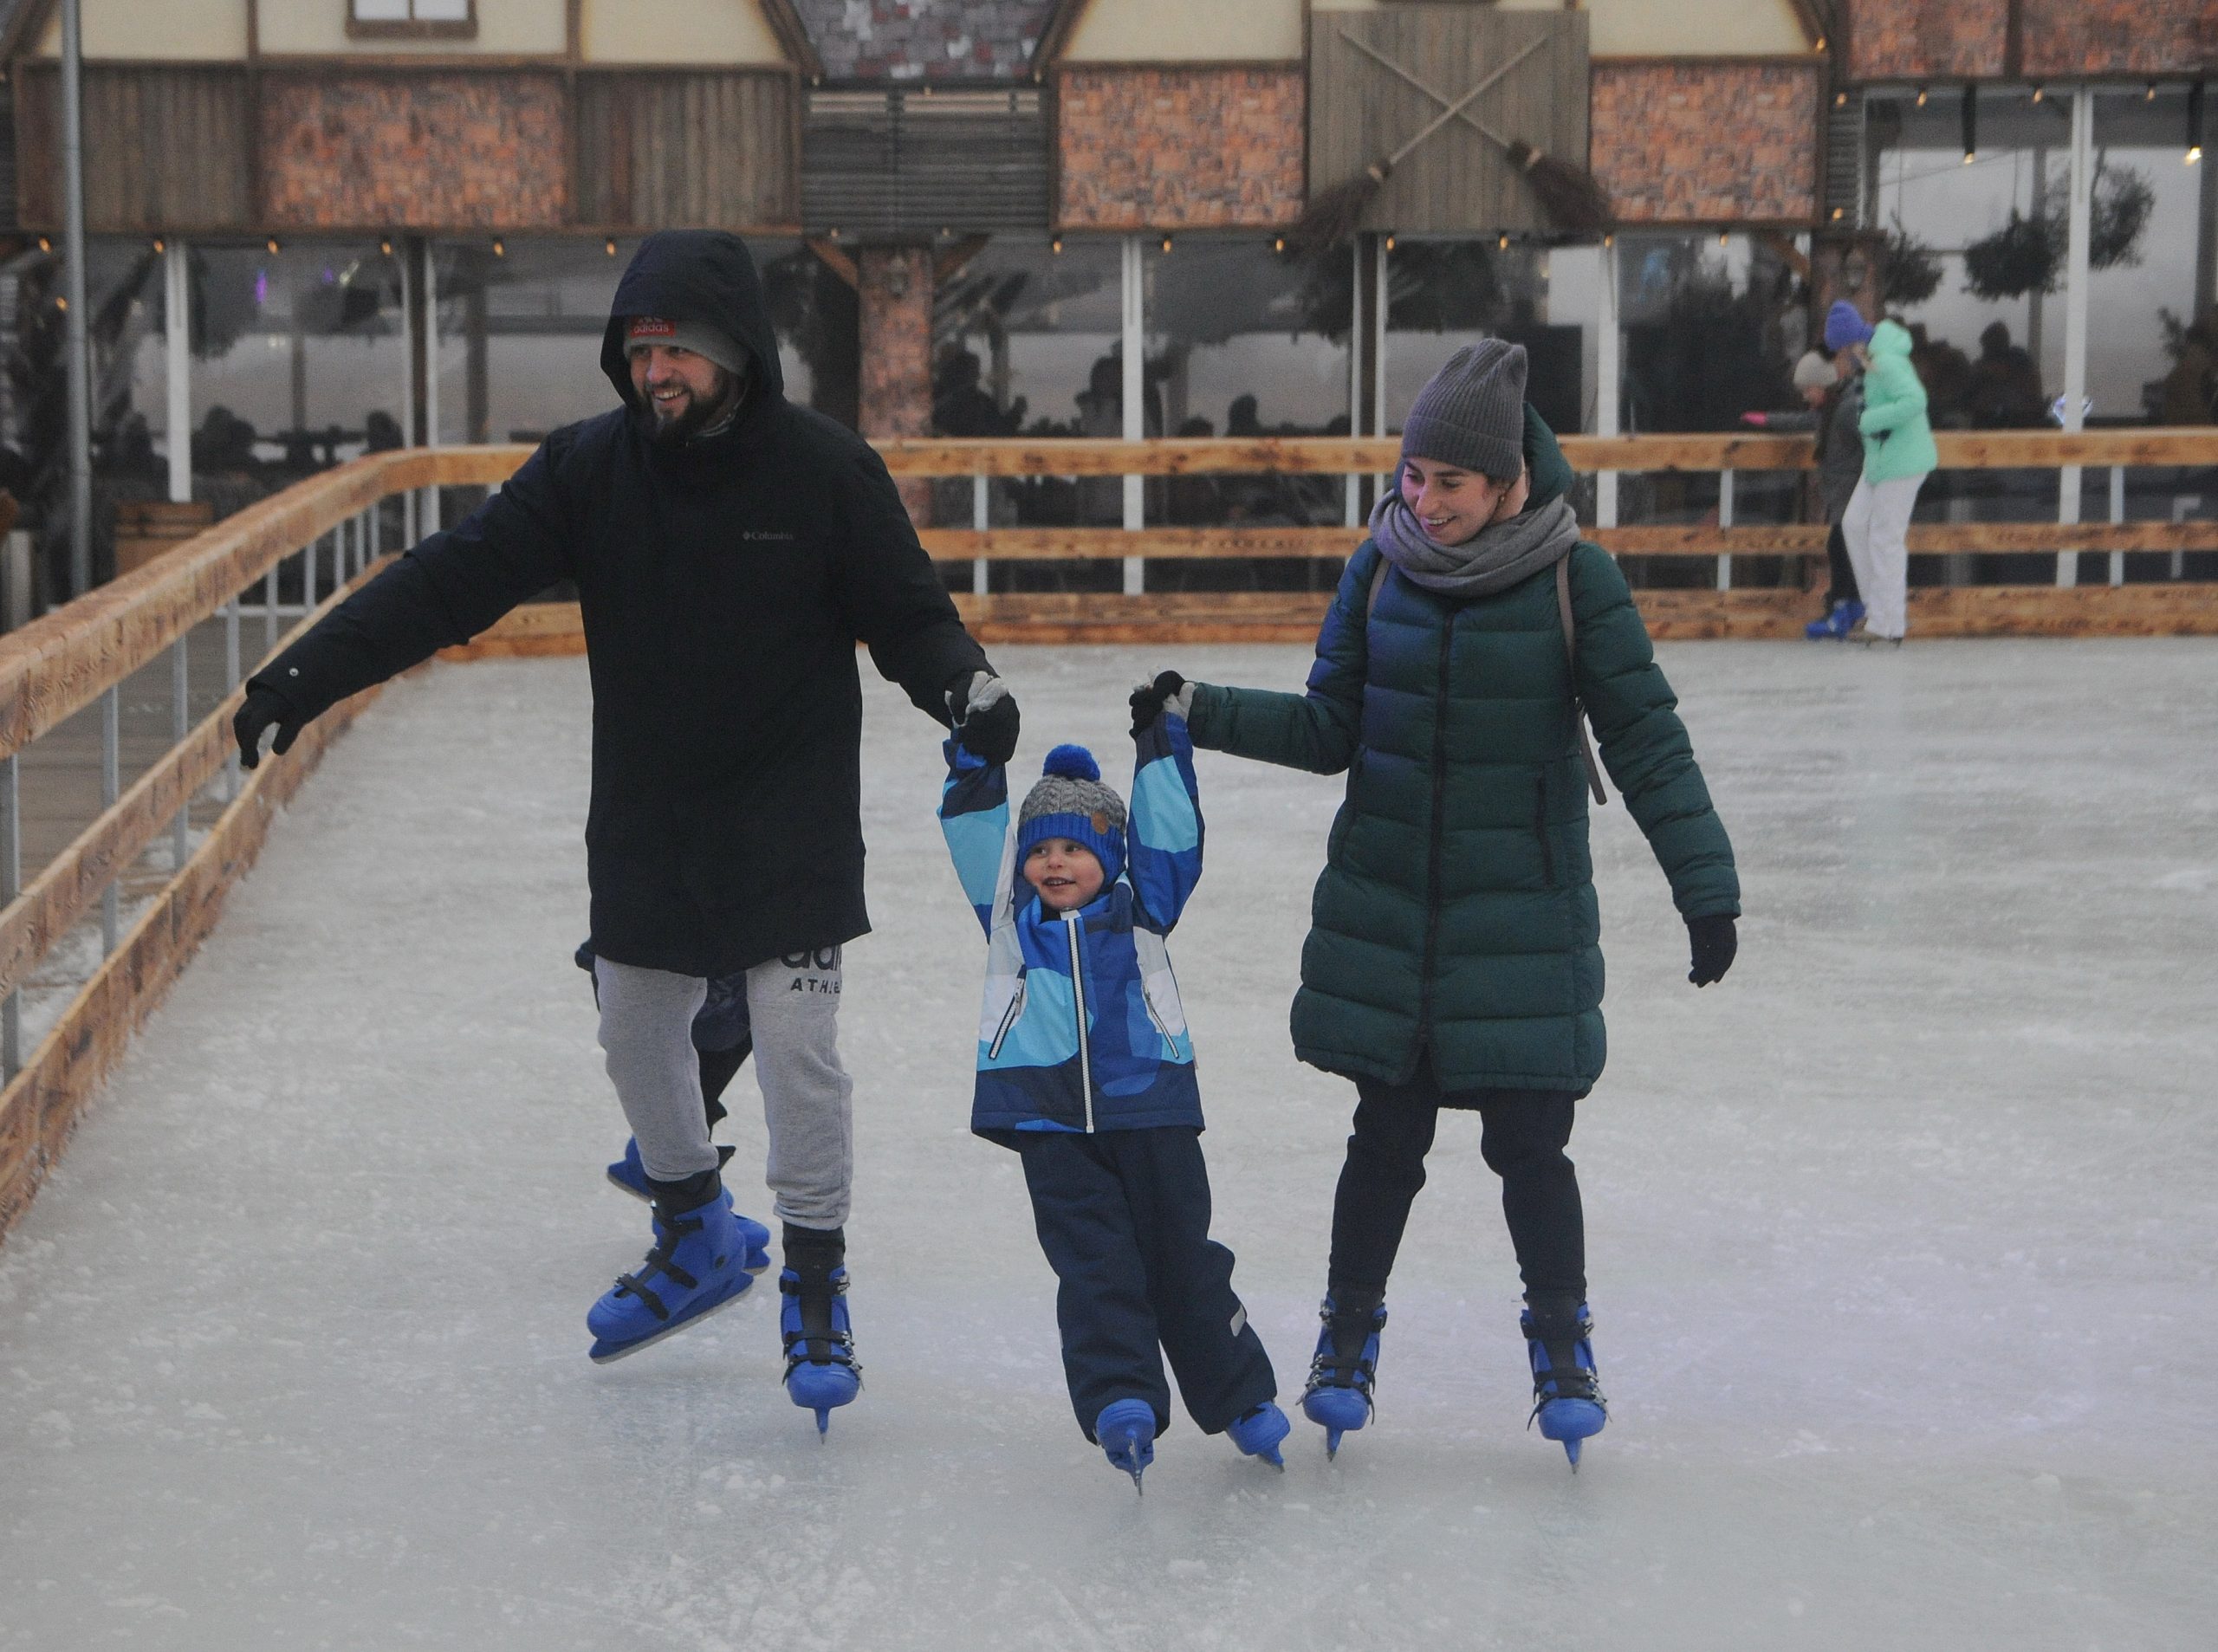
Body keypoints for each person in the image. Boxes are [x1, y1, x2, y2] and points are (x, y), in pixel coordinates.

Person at [230, 230, 1021, 1430]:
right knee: (632, 1023)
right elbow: (453, 578)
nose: (657, 373)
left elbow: (908, 615)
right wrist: (304, 673)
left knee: (798, 1042)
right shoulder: (591, 470)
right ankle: (696, 1222)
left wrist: (967, 687)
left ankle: (813, 1277)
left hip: (789, 802)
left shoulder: (824, 473)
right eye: (641, 350)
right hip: (652, 808)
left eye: (680, 353)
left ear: (737, 356)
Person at [1130, 340, 1741, 1469]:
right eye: (1413, 476)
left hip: (1521, 919)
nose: (1424, 500)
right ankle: (1346, 1337)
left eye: (1448, 483)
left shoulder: (1573, 577)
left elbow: (1646, 740)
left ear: (1508, 479)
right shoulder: (1382, 567)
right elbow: (1328, 728)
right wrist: (1198, 708)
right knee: (1385, 1136)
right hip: (1396, 919)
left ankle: (1563, 1348)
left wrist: (1704, 885)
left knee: (1530, 1144)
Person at [936, 707, 1288, 1490]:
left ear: (1106, 851)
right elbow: (974, 836)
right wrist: (974, 763)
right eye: (1042, 850)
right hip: (1047, 1117)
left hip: (1152, 1110)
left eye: (1074, 848)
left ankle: (1241, 1395)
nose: (1055, 864)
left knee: (1183, 1261)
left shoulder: (1142, 911)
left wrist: (1160, 744)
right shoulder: (1009, 921)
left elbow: (1169, 840)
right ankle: (1122, 1394)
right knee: (1095, 1266)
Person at [1832, 303, 1937, 646]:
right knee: (1853, 523)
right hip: (1880, 460)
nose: (1842, 359)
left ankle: (1888, 623)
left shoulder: (1887, 361)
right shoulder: (1873, 360)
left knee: (1885, 538)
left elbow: (1915, 401)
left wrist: (1868, 420)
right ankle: (1875, 609)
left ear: (1852, 344)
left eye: (1842, 350)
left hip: (1902, 461)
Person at [1747, 343, 1867, 638]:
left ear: (1824, 384)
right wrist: (1768, 421)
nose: (1805, 396)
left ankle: (1845, 612)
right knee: (1841, 550)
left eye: (1808, 389)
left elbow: (1873, 439)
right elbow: (1804, 421)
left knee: (1842, 550)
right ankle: (1850, 608)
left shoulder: (1848, 409)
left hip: (1853, 493)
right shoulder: (1831, 409)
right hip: (1843, 494)